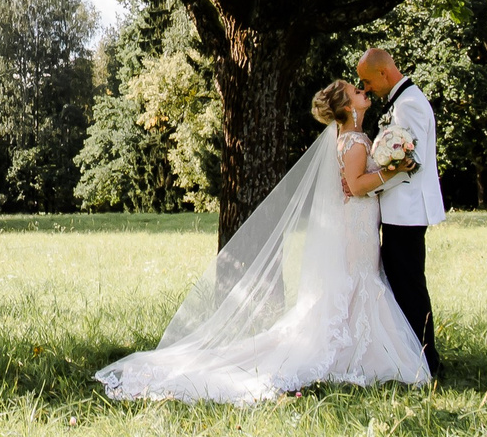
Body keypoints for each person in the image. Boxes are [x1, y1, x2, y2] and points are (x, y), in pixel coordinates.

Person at [93, 79, 429, 403]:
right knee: (359, 282)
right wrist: (396, 171)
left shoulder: (353, 138)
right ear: (346, 107)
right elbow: (356, 186)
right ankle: (357, 351)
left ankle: (359, 346)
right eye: (354, 90)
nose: (361, 90)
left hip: (359, 224)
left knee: (359, 284)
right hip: (357, 227)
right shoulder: (354, 142)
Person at [355, 45, 443, 381]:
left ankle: (427, 360)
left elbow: (411, 163)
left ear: (382, 72)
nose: (365, 88)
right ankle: (413, 355)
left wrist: (369, 185)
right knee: (402, 283)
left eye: (367, 80)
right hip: (398, 211)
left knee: (409, 286)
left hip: (406, 211)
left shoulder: (409, 104)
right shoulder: (403, 101)